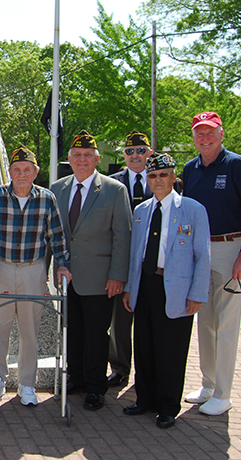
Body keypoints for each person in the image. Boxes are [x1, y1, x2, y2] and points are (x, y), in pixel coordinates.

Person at [181, 111, 241, 416]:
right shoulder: (190, 169)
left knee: (227, 326)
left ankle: (224, 393)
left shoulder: (238, 165)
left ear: (221, 133)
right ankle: (209, 384)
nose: (205, 138)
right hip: (200, 252)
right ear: (193, 136)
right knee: (206, 323)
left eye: (210, 132)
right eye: (199, 133)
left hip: (232, 250)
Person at [122, 152, 210, 429]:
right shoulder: (141, 211)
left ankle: (168, 405)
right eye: (152, 176)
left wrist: (197, 294)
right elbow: (135, 255)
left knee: (171, 349)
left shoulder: (193, 210)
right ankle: (144, 398)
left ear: (173, 177)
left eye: (163, 175)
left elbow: (202, 256)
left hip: (177, 288)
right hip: (145, 285)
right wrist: (129, 289)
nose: (157, 180)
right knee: (144, 345)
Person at [0, 147, 72, 406]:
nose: (22, 174)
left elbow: (57, 236)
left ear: (35, 173)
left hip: (33, 269)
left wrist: (62, 266)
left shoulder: (47, 198)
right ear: (9, 172)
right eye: (17, 169)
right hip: (2, 267)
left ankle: (26, 383)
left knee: (30, 329)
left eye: (27, 170)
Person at [49, 130, 131, 411]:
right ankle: (78, 378)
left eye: (87, 156)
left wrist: (118, 275)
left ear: (97, 160)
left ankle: (96, 387)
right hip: (65, 275)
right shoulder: (57, 189)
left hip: (100, 277)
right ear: (69, 160)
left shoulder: (114, 189)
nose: (82, 160)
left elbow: (123, 236)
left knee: (97, 334)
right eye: (77, 155)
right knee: (72, 331)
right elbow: (51, 232)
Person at [106, 130, 153, 388]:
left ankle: (147, 374)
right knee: (120, 321)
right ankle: (120, 368)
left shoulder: (164, 180)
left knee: (149, 320)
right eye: (130, 151)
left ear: (150, 153)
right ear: (123, 155)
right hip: (122, 260)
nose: (135, 155)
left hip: (152, 261)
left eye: (141, 150)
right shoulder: (113, 183)